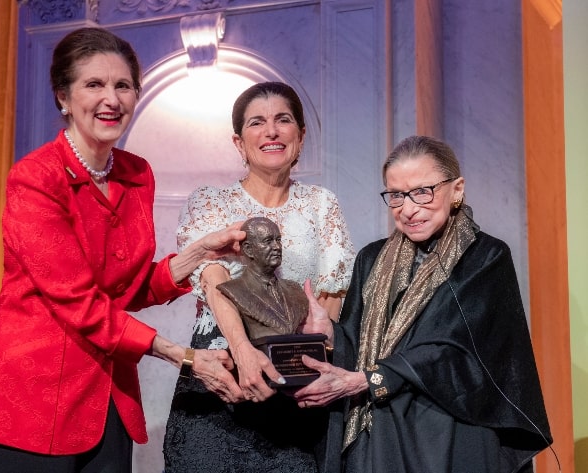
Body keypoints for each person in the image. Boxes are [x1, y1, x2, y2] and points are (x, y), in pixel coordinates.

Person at [0, 27, 246, 473]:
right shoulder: (36, 177)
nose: (111, 99)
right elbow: (77, 301)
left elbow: (126, 288)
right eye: (94, 85)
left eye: (123, 85)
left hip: (106, 395)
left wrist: (198, 254)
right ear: (63, 97)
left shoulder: (137, 174)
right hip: (30, 402)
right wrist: (184, 356)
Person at [294, 135, 553, 473]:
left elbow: (458, 350)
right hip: (378, 426)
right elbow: (358, 346)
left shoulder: (486, 257)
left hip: (449, 428)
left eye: (422, 191)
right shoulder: (371, 259)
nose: (409, 208)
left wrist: (370, 379)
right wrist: (331, 334)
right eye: (397, 195)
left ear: (456, 189)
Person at [164, 82, 356, 472]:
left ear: (300, 137)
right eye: (257, 123)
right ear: (239, 142)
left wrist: (312, 357)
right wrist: (242, 350)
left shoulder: (322, 204)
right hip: (222, 371)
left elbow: (331, 293)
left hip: (294, 379)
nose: (271, 131)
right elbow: (213, 279)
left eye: (283, 120)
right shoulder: (210, 201)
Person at [216, 217, 309, 340]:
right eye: (268, 241)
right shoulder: (234, 290)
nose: (277, 247)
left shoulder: (295, 289)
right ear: (248, 249)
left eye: (278, 240)